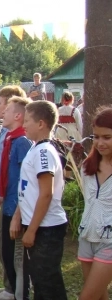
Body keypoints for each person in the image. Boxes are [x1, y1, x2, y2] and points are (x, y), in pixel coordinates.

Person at [11, 100, 68, 299]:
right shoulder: (35, 148)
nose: (23, 124)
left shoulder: (44, 152)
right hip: (38, 225)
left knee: (47, 282)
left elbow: (46, 193)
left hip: (46, 228)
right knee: (41, 279)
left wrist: (32, 230)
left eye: (27, 120)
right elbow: (28, 189)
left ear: (41, 124)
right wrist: (19, 217)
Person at [0, 85, 27, 300]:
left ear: (18, 115)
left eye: (5, 107)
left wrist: (18, 212)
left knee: (16, 253)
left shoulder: (21, 141)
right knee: (6, 248)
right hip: (8, 201)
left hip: (16, 206)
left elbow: (25, 180)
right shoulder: (11, 138)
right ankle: (12, 287)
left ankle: (16, 291)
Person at [78, 107, 112, 300]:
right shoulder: (87, 167)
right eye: (96, 137)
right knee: (99, 296)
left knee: (87, 297)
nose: (100, 143)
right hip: (86, 236)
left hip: (109, 241)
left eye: (107, 137)